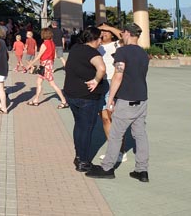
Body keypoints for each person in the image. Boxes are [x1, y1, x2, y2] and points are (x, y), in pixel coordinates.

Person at [86, 23, 150, 182]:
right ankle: (142, 170)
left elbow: (118, 75)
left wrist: (110, 98)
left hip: (126, 99)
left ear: (127, 33)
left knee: (115, 135)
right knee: (140, 135)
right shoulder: (143, 53)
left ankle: (107, 168)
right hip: (142, 98)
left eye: (123, 33)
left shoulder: (122, 52)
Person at [63, 26, 107, 172]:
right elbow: (101, 68)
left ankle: (78, 155)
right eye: (100, 37)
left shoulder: (76, 48)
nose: (101, 40)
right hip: (87, 96)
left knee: (79, 126)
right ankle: (83, 160)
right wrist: (96, 80)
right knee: (86, 128)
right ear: (95, 38)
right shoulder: (92, 53)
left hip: (71, 93)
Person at [97, 23, 126, 162]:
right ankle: (112, 149)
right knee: (104, 118)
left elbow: (123, 35)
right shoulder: (96, 45)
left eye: (106, 31)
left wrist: (108, 27)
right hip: (100, 82)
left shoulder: (117, 45)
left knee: (115, 117)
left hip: (113, 81)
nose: (104, 33)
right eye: (101, 32)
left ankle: (121, 150)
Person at [26, 27, 68, 109]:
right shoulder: (52, 43)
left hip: (45, 65)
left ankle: (64, 101)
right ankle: (36, 100)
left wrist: (30, 64)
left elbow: (39, 56)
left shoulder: (44, 44)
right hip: (48, 64)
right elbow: (54, 55)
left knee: (52, 84)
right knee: (39, 82)